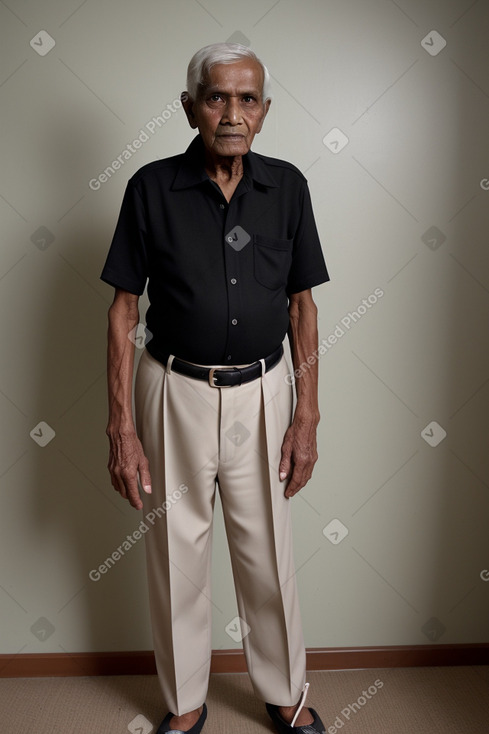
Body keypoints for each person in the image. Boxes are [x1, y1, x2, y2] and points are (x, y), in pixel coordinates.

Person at [101, 42, 329, 734]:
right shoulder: (148, 187)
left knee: (267, 554)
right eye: (217, 97)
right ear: (189, 106)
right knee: (177, 551)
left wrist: (306, 417)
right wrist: (121, 427)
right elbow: (122, 311)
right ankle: (185, 701)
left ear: (263, 111)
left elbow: (302, 307)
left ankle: (285, 691)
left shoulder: (286, 187)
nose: (232, 113)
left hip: (265, 391)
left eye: (247, 98)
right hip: (173, 387)